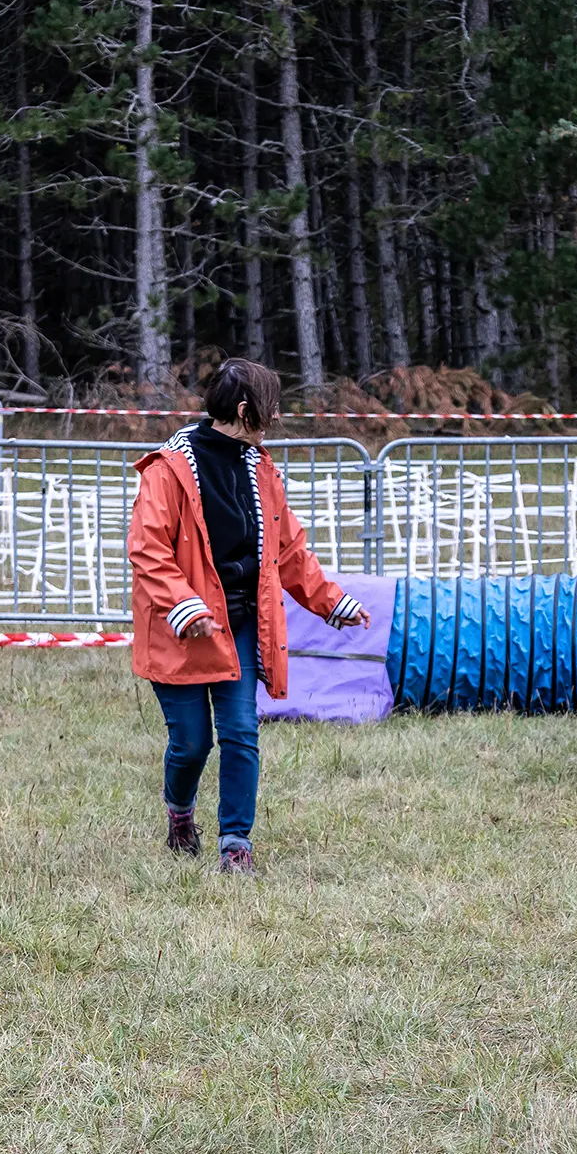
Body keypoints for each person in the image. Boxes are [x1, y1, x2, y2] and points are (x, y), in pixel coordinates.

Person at [126, 359, 371, 873]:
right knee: (192, 743)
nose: (277, 416)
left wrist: (332, 601)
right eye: (271, 407)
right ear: (244, 410)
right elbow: (148, 550)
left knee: (240, 732)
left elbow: (289, 550)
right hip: (180, 629)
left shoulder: (262, 470)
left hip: (237, 628)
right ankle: (179, 816)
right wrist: (184, 603)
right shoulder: (168, 471)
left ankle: (235, 845)